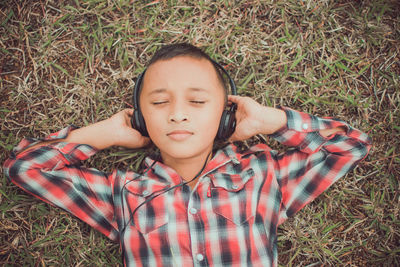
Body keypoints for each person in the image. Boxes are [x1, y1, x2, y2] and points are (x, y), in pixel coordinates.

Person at [4, 43, 371, 266]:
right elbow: (26, 168)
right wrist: (102, 135)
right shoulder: (125, 194)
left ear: (225, 115)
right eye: (160, 103)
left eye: (197, 101)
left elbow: (349, 145)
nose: (178, 114)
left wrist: (269, 121)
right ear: (143, 117)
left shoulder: (262, 176)